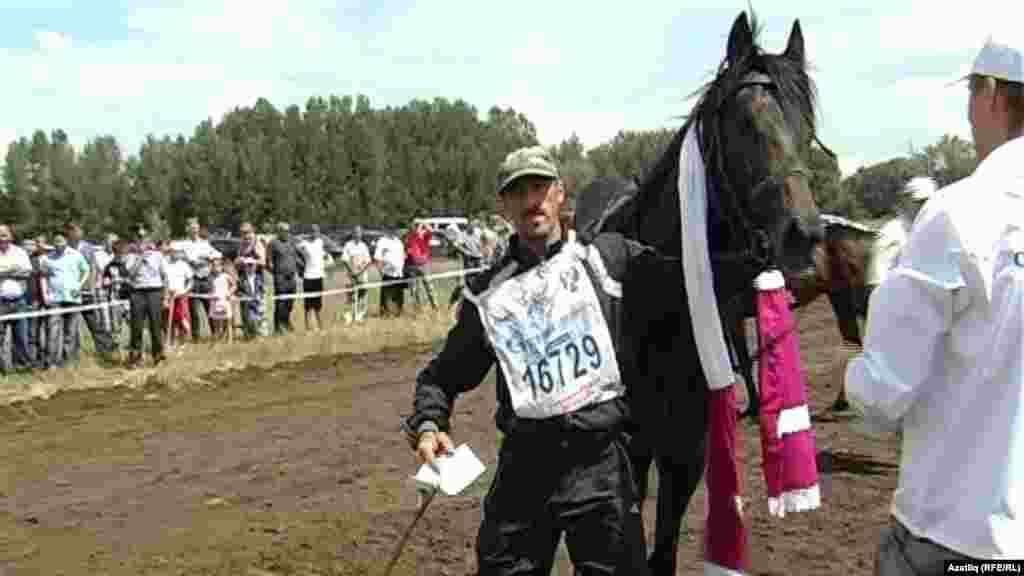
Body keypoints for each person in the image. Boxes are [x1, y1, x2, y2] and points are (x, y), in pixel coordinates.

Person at [402, 145, 652, 575]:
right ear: (503, 206)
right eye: (518, 192)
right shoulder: (488, 295)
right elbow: (442, 376)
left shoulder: (609, 259)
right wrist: (429, 425)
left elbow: (689, 284)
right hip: (525, 468)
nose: (531, 201)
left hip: (600, 465)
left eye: (539, 187)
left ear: (560, 193)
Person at [846, 33, 1024, 573]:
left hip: (952, 535)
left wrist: (854, 377)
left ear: (990, 94)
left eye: (971, 95)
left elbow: (882, 395)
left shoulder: (961, 212)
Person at [64, 222, 117, 361]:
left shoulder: (87, 248)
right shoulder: (65, 248)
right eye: (74, 231)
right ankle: (72, 354)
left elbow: (93, 267)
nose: (78, 233)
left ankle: (106, 347)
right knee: (71, 325)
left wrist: (92, 286)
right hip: (70, 293)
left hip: (87, 291)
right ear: (69, 233)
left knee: (94, 321)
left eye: (79, 230)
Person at [43, 234, 90, 368]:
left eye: (61, 242)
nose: (59, 244)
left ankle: (68, 361)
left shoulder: (76, 255)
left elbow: (86, 270)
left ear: (66, 241)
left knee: (71, 331)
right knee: (53, 331)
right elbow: (44, 276)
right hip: (54, 299)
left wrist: (79, 286)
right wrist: (46, 293)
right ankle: (51, 362)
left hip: (73, 298)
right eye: (56, 242)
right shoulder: (48, 258)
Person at [123, 235, 168, 367]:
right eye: (140, 242)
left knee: (155, 325)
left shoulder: (158, 256)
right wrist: (140, 258)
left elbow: (165, 277)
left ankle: (158, 356)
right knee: (136, 326)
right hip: (137, 293)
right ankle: (135, 358)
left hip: (154, 292)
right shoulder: (131, 257)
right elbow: (130, 273)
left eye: (146, 241)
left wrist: (165, 297)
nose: (144, 244)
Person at [180, 218, 221, 341]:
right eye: (192, 228)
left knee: (210, 307)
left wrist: (208, 258)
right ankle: (196, 336)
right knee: (193, 310)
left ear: (198, 229)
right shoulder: (184, 244)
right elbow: (178, 255)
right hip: (192, 279)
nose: (194, 230)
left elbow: (218, 254)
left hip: (206, 278)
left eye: (196, 228)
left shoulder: (205, 243)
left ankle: (215, 334)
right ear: (187, 230)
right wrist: (188, 260)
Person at [0, 225, 34, 371]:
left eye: (4, 234)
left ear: (11, 236)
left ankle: (22, 366)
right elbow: (19, 271)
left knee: (21, 337)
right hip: (0, 302)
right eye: (0, 235)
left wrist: (5, 272)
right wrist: (13, 270)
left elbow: (26, 272)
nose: (2, 237)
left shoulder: (20, 252)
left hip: (19, 301)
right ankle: (2, 369)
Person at [266, 222, 301, 335]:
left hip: (292, 277)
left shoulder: (291, 242)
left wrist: (299, 269)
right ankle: (278, 327)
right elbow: (268, 263)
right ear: (279, 231)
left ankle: (286, 321)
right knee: (280, 303)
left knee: (290, 302)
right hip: (280, 278)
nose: (287, 233)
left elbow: (295, 257)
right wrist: (276, 274)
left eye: (288, 231)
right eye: (285, 231)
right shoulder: (273, 243)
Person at [235, 221, 267, 339]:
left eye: (247, 232)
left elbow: (263, 262)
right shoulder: (241, 245)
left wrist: (251, 261)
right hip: (244, 279)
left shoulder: (257, 244)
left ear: (252, 231)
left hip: (257, 279)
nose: (245, 235)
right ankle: (248, 334)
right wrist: (239, 262)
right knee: (245, 307)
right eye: (243, 233)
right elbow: (236, 262)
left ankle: (261, 333)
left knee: (259, 306)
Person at [297, 224, 329, 332]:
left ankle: (321, 327)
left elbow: (324, 254)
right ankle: (308, 328)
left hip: (319, 276)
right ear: (309, 232)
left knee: (318, 305)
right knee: (308, 306)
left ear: (318, 232)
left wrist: (325, 256)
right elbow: (295, 249)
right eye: (313, 231)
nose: (315, 233)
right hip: (308, 277)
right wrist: (301, 263)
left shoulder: (320, 242)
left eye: (316, 231)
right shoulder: (304, 243)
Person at [403, 219, 438, 311]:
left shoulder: (424, 235)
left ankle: (435, 307)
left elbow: (431, 230)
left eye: (416, 225)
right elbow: (406, 248)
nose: (415, 226)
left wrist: (423, 223)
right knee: (414, 290)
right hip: (411, 265)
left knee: (429, 287)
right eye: (414, 225)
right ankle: (417, 309)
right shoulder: (408, 236)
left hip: (424, 264)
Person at [163, 246, 193, 348]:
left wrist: (184, 291)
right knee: (169, 319)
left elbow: (190, 280)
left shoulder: (183, 265)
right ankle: (171, 340)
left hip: (181, 295)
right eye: (172, 252)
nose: (174, 254)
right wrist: (166, 295)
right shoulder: (165, 264)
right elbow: (164, 280)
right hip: (168, 295)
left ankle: (185, 340)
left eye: (176, 252)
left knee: (182, 318)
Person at [340, 226, 372, 324]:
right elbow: (344, 260)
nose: (357, 234)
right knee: (350, 297)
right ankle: (348, 317)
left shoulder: (364, 246)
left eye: (359, 232)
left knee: (362, 296)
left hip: (362, 276)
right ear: (353, 233)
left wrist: (360, 272)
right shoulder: (348, 245)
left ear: (361, 234)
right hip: (351, 276)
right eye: (356, 232)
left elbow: (368, 261)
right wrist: (353, 272)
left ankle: (359, 316)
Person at [373, 230, 406, 318]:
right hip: (388, 274)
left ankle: (398, 313)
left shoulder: (398, 242)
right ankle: (385, 314)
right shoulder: (382, 241)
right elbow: (377, 258)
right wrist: (381, 272)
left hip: (399, 274)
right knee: (386, 297)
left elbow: (403, 255)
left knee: (399, 297)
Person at [207, 255, 236, 343]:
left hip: (225, 301)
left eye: (218, 266)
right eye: (214, 266)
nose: (216, 268)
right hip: (215, 302)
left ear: (221, 266)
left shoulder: (226, 276)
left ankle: (229, 341)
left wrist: (229, 293)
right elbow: (210, 289)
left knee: (228, 322)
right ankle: (217, 340)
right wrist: (211, 295)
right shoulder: (210, 277)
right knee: (216, 323)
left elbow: (234, 285)